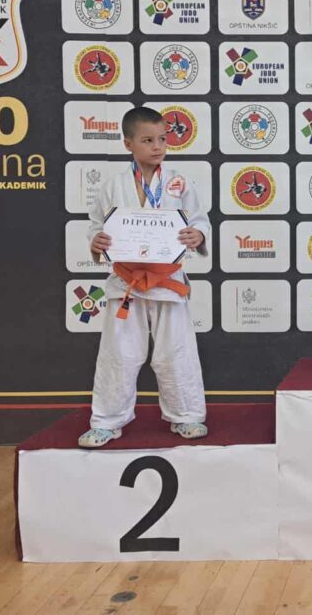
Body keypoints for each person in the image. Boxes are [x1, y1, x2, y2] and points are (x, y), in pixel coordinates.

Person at [78, 107, 211, 447]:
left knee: (176, 351)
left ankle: (186, 415)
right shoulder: (113, 186)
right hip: (127, 281)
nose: (157, 146)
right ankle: (107, 421)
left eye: (163, 139)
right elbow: (96, 225)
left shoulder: (179, 183)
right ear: (128, 144)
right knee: (119, 353)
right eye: (148, 140)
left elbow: (199, 220)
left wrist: (198, 235)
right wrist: (97, 241)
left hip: (168, 281)